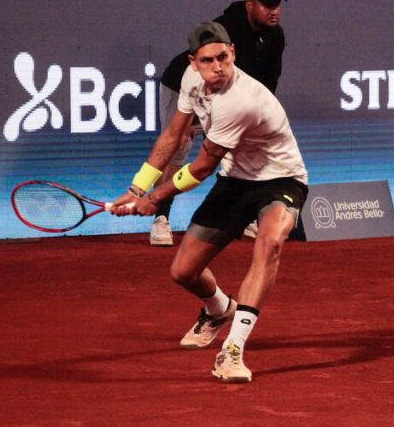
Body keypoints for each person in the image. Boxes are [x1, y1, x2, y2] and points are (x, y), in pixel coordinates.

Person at [112, 21, 308, 383]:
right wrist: (139, 187)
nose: (218, 66)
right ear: (193, 62)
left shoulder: (241, 99)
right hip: (235, 182)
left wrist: (155, 199)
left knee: (271, 242)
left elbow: (202, 167)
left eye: (223, 57)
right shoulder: (189, 81)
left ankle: (233, 350)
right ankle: (218, 308)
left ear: (232, 52)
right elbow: (173, 135)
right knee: (182, 272)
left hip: (281, 178)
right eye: (207, 60)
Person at [149, 0, 287, 246]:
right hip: (185, 86)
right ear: (250, 5)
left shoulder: (276, 35)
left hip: (225, 95)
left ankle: (243, 216)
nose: (274, 10)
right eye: (267, 5)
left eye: (278, 5)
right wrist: (192, 118)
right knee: (179, 148)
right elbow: (201, 76)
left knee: (245, 149)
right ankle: (160, 218)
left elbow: (268, 83)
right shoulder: (225, 30)